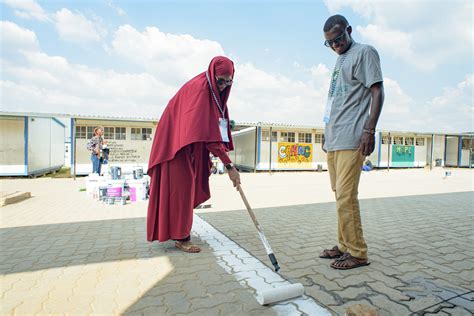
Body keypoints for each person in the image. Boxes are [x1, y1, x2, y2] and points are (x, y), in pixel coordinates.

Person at [147, 56, 241, 253]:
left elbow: (213, 129)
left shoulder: (213, 93)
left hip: (187, 145)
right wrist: (230, 166)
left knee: (185, 188)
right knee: (182, 189)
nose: (224, 85)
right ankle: (182, 237)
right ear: (212, 75)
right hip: (174, 147)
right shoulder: (200, 90)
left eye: (229, 81)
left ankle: (177, 231)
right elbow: (209, 138)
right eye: (221, 80)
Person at [319, 15, 384, 269]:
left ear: (349, 30)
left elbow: (377, 91)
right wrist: (327, 130)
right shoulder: (339, 61)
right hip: (335, 138)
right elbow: (335, 102)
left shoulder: (364, 52)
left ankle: (357, 251)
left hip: (352, 136)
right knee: (339, 195)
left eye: (338, 38)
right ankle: (344, 244)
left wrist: (369, 129)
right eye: (329, 43)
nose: (335, 45)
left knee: (347, 196)